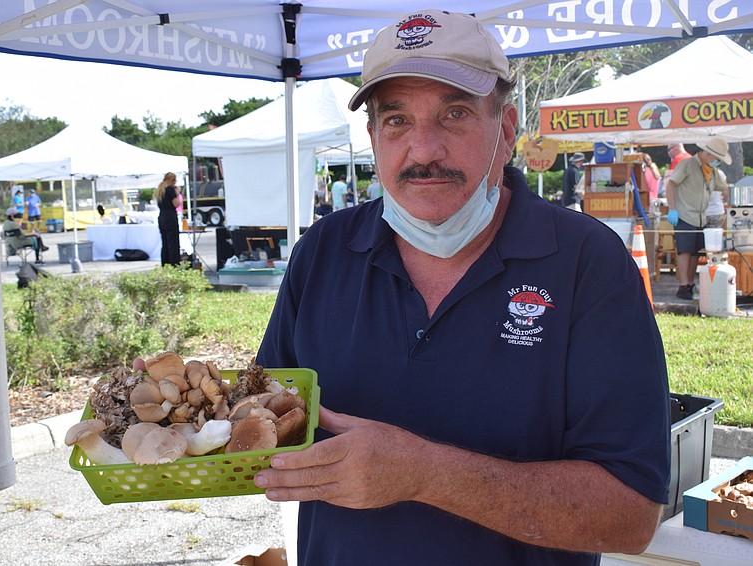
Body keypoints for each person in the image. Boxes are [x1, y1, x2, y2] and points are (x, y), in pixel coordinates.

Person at [253, 9, 670, 566]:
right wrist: (159, 415)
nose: (423, 151)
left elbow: (629, 516)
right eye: (396, 120)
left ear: (504, 128)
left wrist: (424, 474)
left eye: (454, 113)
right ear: (373, 136)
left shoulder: (586, 262)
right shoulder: (321, 254)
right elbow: (264, 418)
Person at [665, 137, 731, 300]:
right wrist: (672, 209)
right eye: (717, 158)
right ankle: (683, 285)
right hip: (684, 214)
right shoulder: (687, 164)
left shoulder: (712, 171)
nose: (717, 162)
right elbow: (671, 185)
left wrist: (728, 196)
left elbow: (724, 187)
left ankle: (690, 284)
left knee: (695, 252)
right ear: (708, 154)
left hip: (701, 217)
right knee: (685, 251)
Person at [154, 172, 181, 266]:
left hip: (162, 216)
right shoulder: (170, 189)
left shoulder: (160, 190)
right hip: (170, 216)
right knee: (173, 242)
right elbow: (176, 204)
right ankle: (175, 264)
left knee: (165, 242)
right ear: (172, 180)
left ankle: (165, 264)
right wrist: (177, 194)